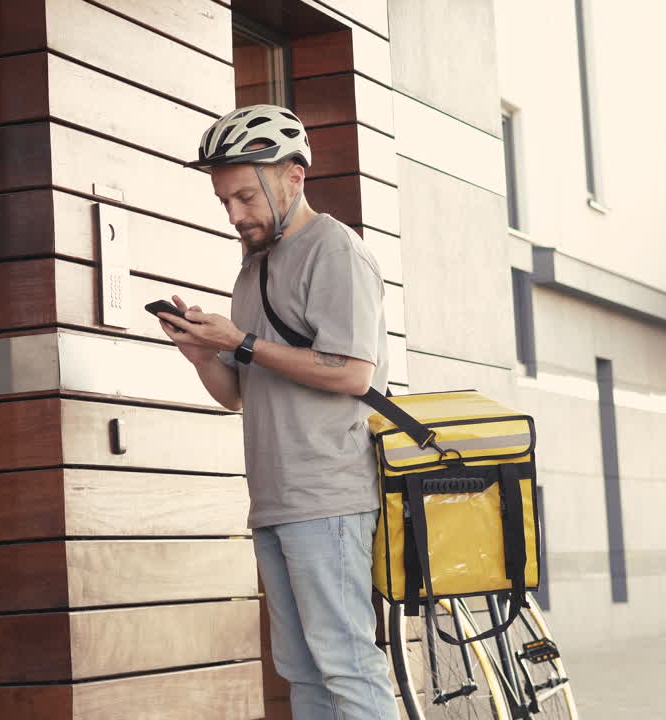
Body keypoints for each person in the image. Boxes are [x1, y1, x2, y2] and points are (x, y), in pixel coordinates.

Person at [157, 104, 399, 719]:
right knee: (303, 675)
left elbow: (351, 371)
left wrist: (237, 341)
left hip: (329, 496)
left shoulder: (335, 250)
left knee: (346, 665)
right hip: (274, 498)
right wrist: (200, 353)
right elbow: (239, 392)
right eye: (225, 203)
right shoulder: (256, 265)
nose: (237, 215)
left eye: (245, 196)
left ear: (295, 174)